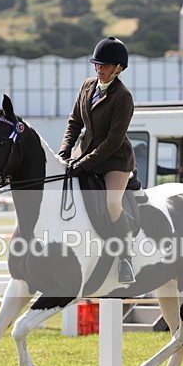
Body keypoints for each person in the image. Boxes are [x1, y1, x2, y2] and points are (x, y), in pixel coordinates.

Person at [58, 36, 137, 284]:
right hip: (84, 153)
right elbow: (74, 122)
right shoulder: (87, 86)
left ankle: (126, 259)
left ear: (118, 68)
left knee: (112, 203)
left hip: (115, 160)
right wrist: (64, 151)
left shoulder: (123, 97)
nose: (99, 69)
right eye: (97, 65)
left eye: (104, 66)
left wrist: (84, 163)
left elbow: (113, 141)